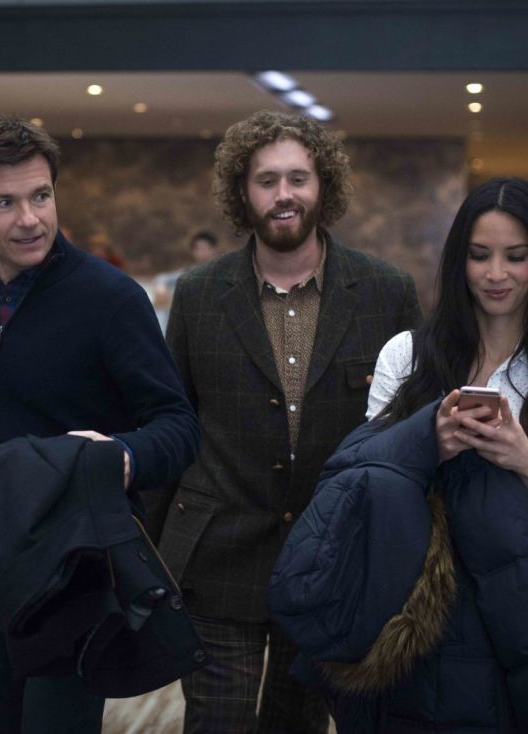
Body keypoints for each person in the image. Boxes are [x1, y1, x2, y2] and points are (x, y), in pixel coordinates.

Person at [150, 109, 421, 732]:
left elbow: (408, 434)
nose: (284, 195)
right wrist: (149, 551)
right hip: (218, 556)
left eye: (298, 178)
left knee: (298, 724)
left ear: (323, 185)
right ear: (242, 193)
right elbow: (173, 422)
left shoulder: (386, 293)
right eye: (266, 180)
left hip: (333, 559)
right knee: (216, 723)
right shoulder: (199, 293)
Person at [0, 114, 200, 733]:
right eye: (4, 202)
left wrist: (117, 455)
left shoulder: (110, 298)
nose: (30, 219)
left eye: (41, 196)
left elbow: (178, 426)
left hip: (72, 566)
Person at [359, 176, 528, 730]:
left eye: (515, 256)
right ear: (459, 261)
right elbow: (367, 483)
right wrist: (429, 443)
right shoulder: (406, 355)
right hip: (417, 583)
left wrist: (524, 457)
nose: (496, 274)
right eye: (479, 256)